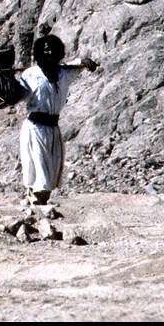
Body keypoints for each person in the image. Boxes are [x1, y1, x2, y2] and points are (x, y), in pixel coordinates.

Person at [16, 35, 98, 206]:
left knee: (52, 167)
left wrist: (85, 61)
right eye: (45, 50)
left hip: (53, 127)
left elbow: (77, 65)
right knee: (39, 166)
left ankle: (38, 200)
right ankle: (36, 201)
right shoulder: (30, 75)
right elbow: (17, 94)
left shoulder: (63, 73)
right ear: (39, 53)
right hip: (36, 127)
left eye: (53, 50)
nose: (49, 53)